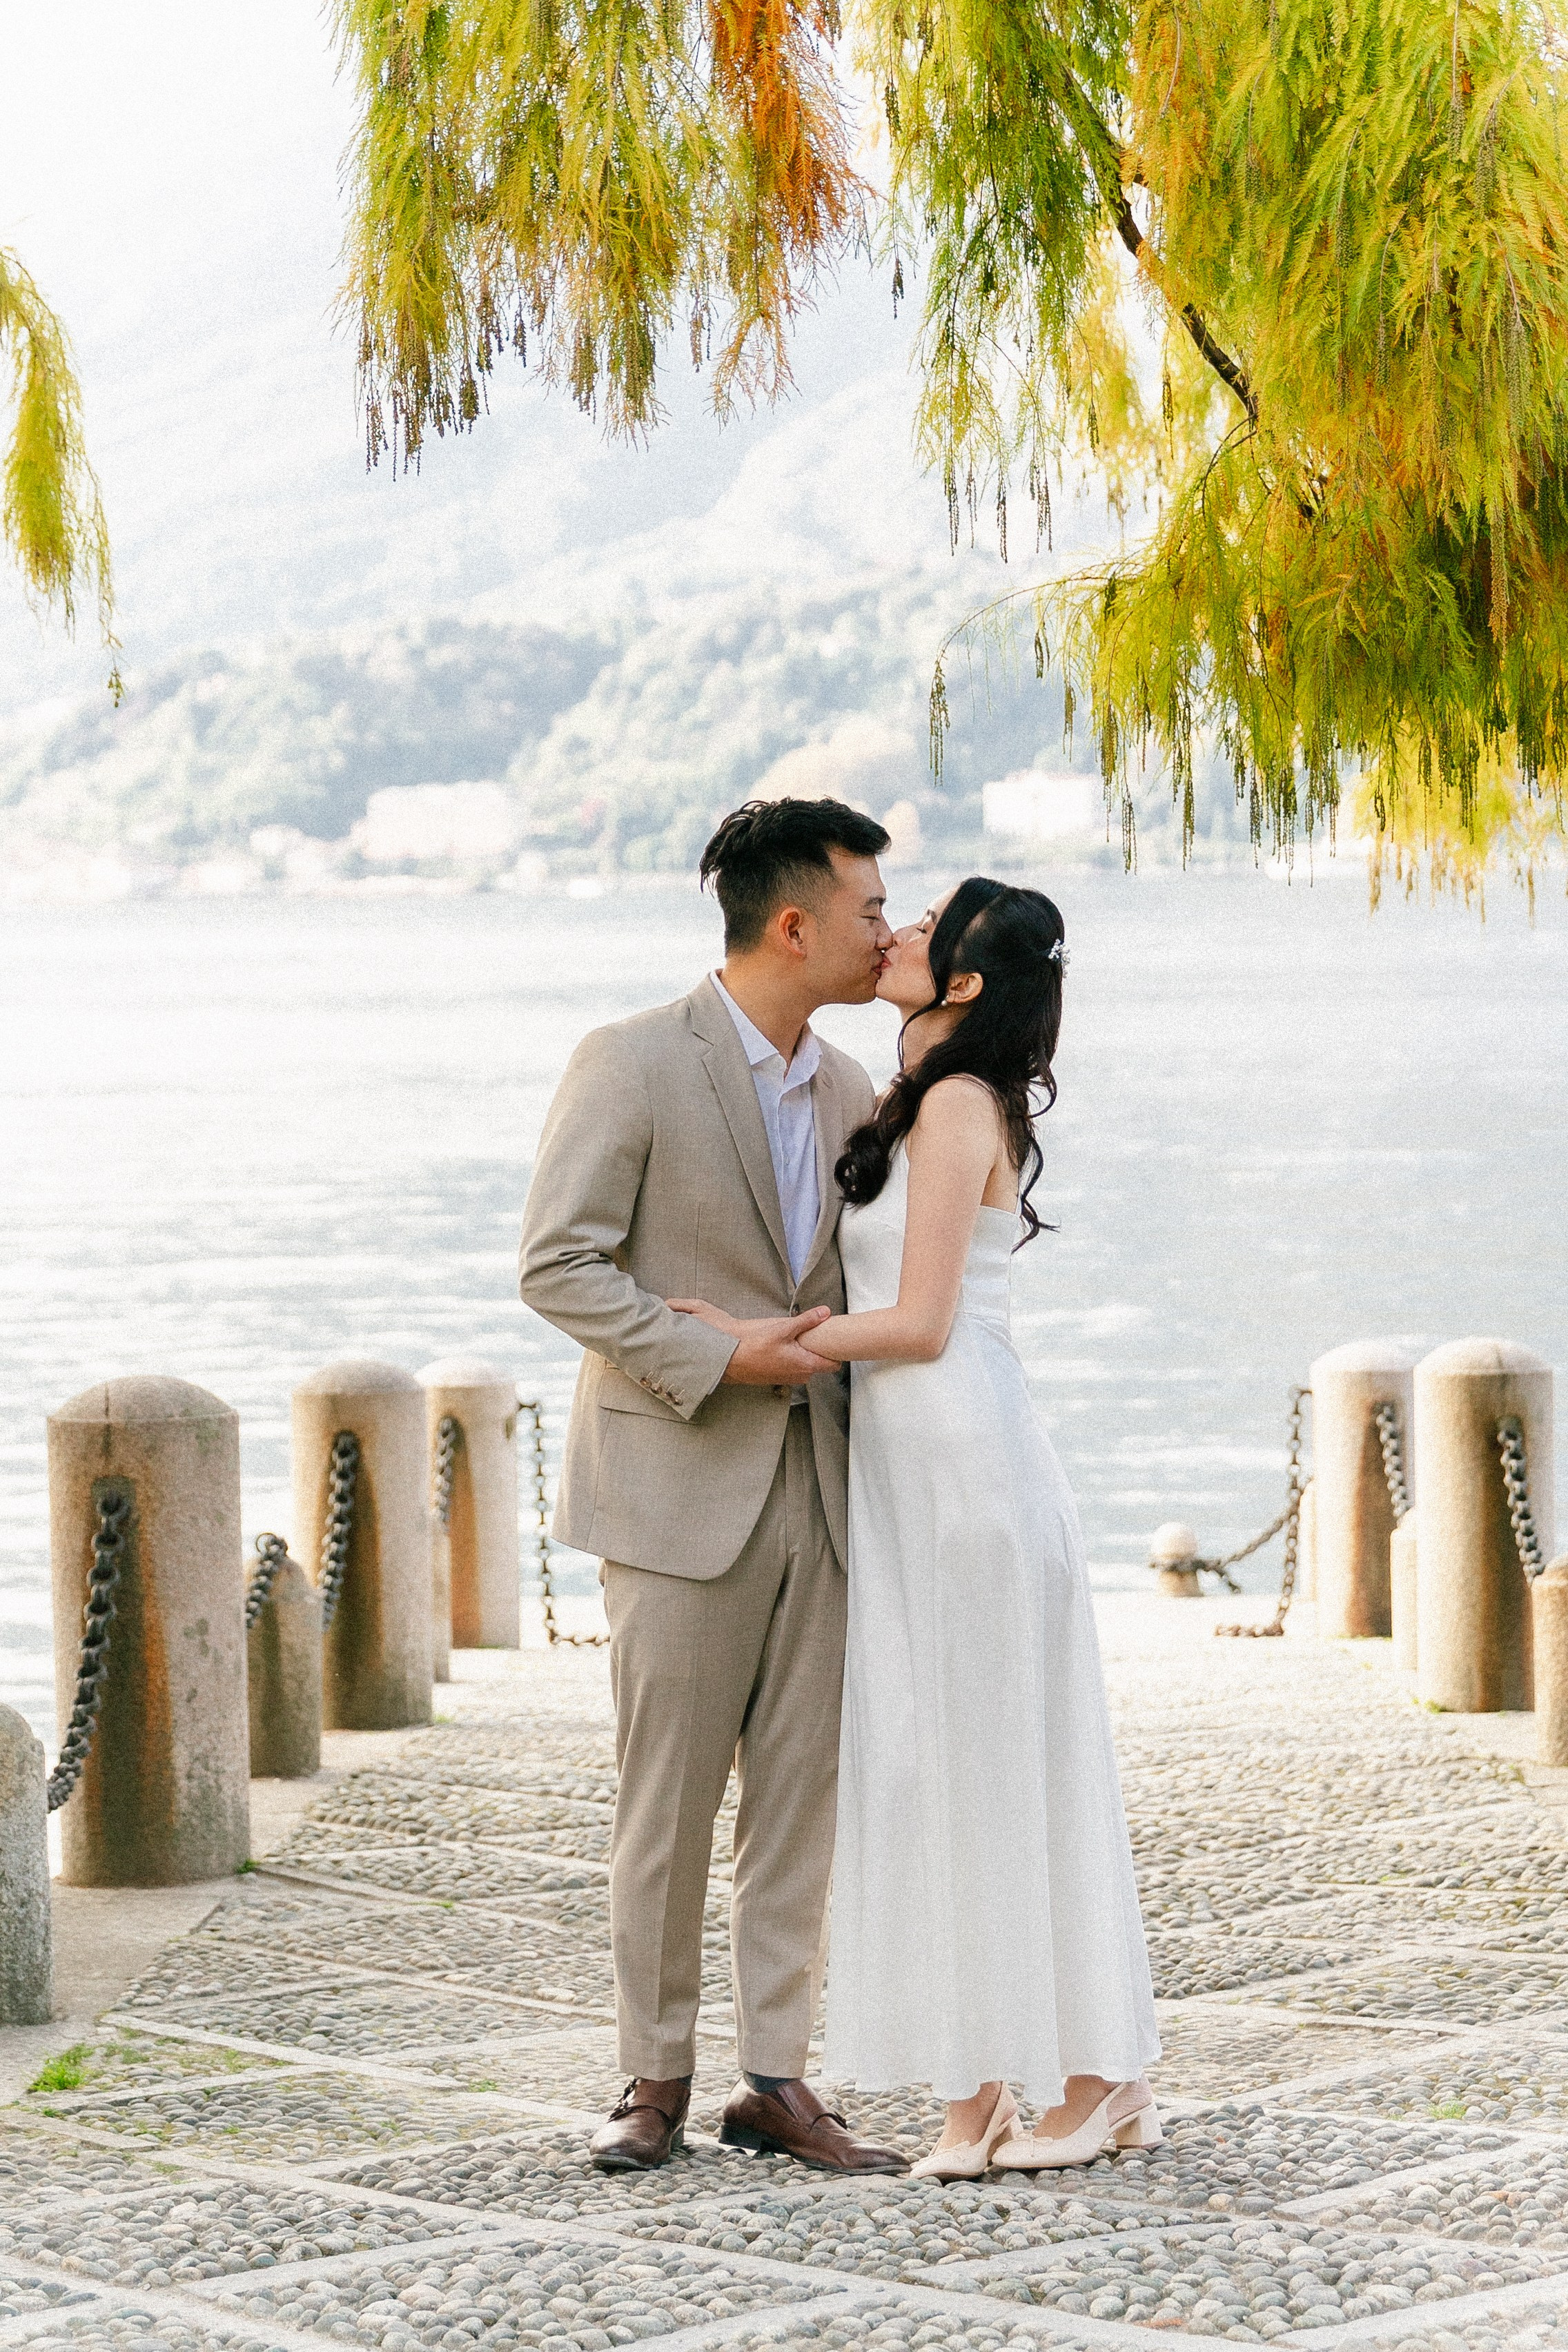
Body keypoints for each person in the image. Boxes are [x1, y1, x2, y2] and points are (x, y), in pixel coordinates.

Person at [675, 877, 1162, 2177]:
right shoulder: (922, 1089)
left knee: (983, 1769)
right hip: (912, 1465)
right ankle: (1056, 2083)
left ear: (961, 982)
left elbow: (926, 1322)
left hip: (964, 1466)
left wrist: (755, 1344)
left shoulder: (953, 1103)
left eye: (920, 922)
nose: (890, 930)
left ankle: (1021, 2091)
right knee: (956, 1767)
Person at [518, 797, 907, 2177]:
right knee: (666, 1803)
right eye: (869, 910)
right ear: (791, 923)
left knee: (802, 1799)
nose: (887, 931)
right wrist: (710, 1351)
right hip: (676, 1489)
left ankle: (778, 2079)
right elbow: (556, 1265)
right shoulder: (627, 1061)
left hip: (822, 1490)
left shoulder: (861, 1086)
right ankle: (652, 2076)